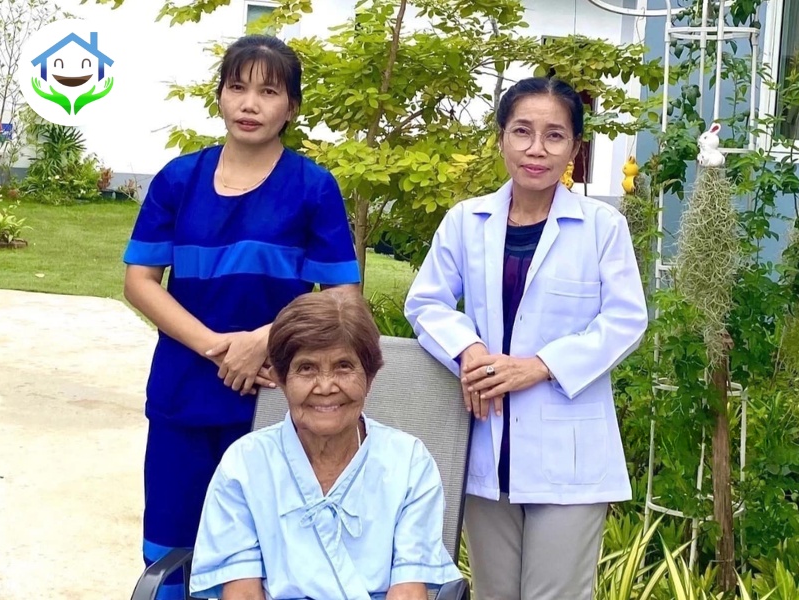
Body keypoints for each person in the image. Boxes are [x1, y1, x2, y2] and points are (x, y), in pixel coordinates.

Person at [122, 35, 360, 599]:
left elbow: (344, 296)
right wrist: (218, 346)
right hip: (183, 395)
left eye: (269, 92)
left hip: (276, 399)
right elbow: (139, 282)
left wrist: (264, 341)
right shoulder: (178, 180)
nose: (250, 104)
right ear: (221, 97)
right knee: (172, 553)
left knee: (267, 557)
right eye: (237, 88)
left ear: (292, 107)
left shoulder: (312, 187)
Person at [404, 76, 648, 599]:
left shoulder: (602, 227)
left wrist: (539, 366)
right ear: (501, 139)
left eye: (554, 135)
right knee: (495, 593)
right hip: (487, 442)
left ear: (575, 149)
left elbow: (625, 320)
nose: (536, 149)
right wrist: (469, 352)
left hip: (569, 452)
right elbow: (426, 302)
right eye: (522, 131)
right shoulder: (466, 221)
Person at [189, 289, 462, 600]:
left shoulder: (409, 462)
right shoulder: (243, 464)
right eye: (306, 368)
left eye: (344, 366)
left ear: (370, 378)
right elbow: (243, 594)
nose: (326, 386)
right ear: (281, 380)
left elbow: (408, 593)